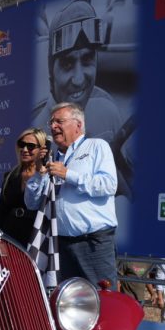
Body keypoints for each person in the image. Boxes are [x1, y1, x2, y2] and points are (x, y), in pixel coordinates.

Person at [31, 0, 134, 198]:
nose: (79, 79)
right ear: (52, 70)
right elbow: (32, 200)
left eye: (87, 60)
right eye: (67, 64)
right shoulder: (36, 134)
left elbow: (118, 190)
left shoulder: (106, 111)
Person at [25, 102, 118, 288]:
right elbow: (31, 203)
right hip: (60, 244)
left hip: (92, 243)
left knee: (102, 299)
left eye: (59, 121)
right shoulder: (53, 158)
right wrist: (39, 172)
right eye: (51, 122)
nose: (53, 127)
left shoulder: (96, 146)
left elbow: (108, 185)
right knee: (67, 301)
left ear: (78, 125)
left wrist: (68, 175)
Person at [0, 128, 49, 245]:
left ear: (42, 149)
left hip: (36, 235)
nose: (24, 149)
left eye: (31, 146)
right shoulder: (10, 175)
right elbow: (2, 210)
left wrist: (41, 171)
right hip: (10, 233)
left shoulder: (47, 176)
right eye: (22, 144)